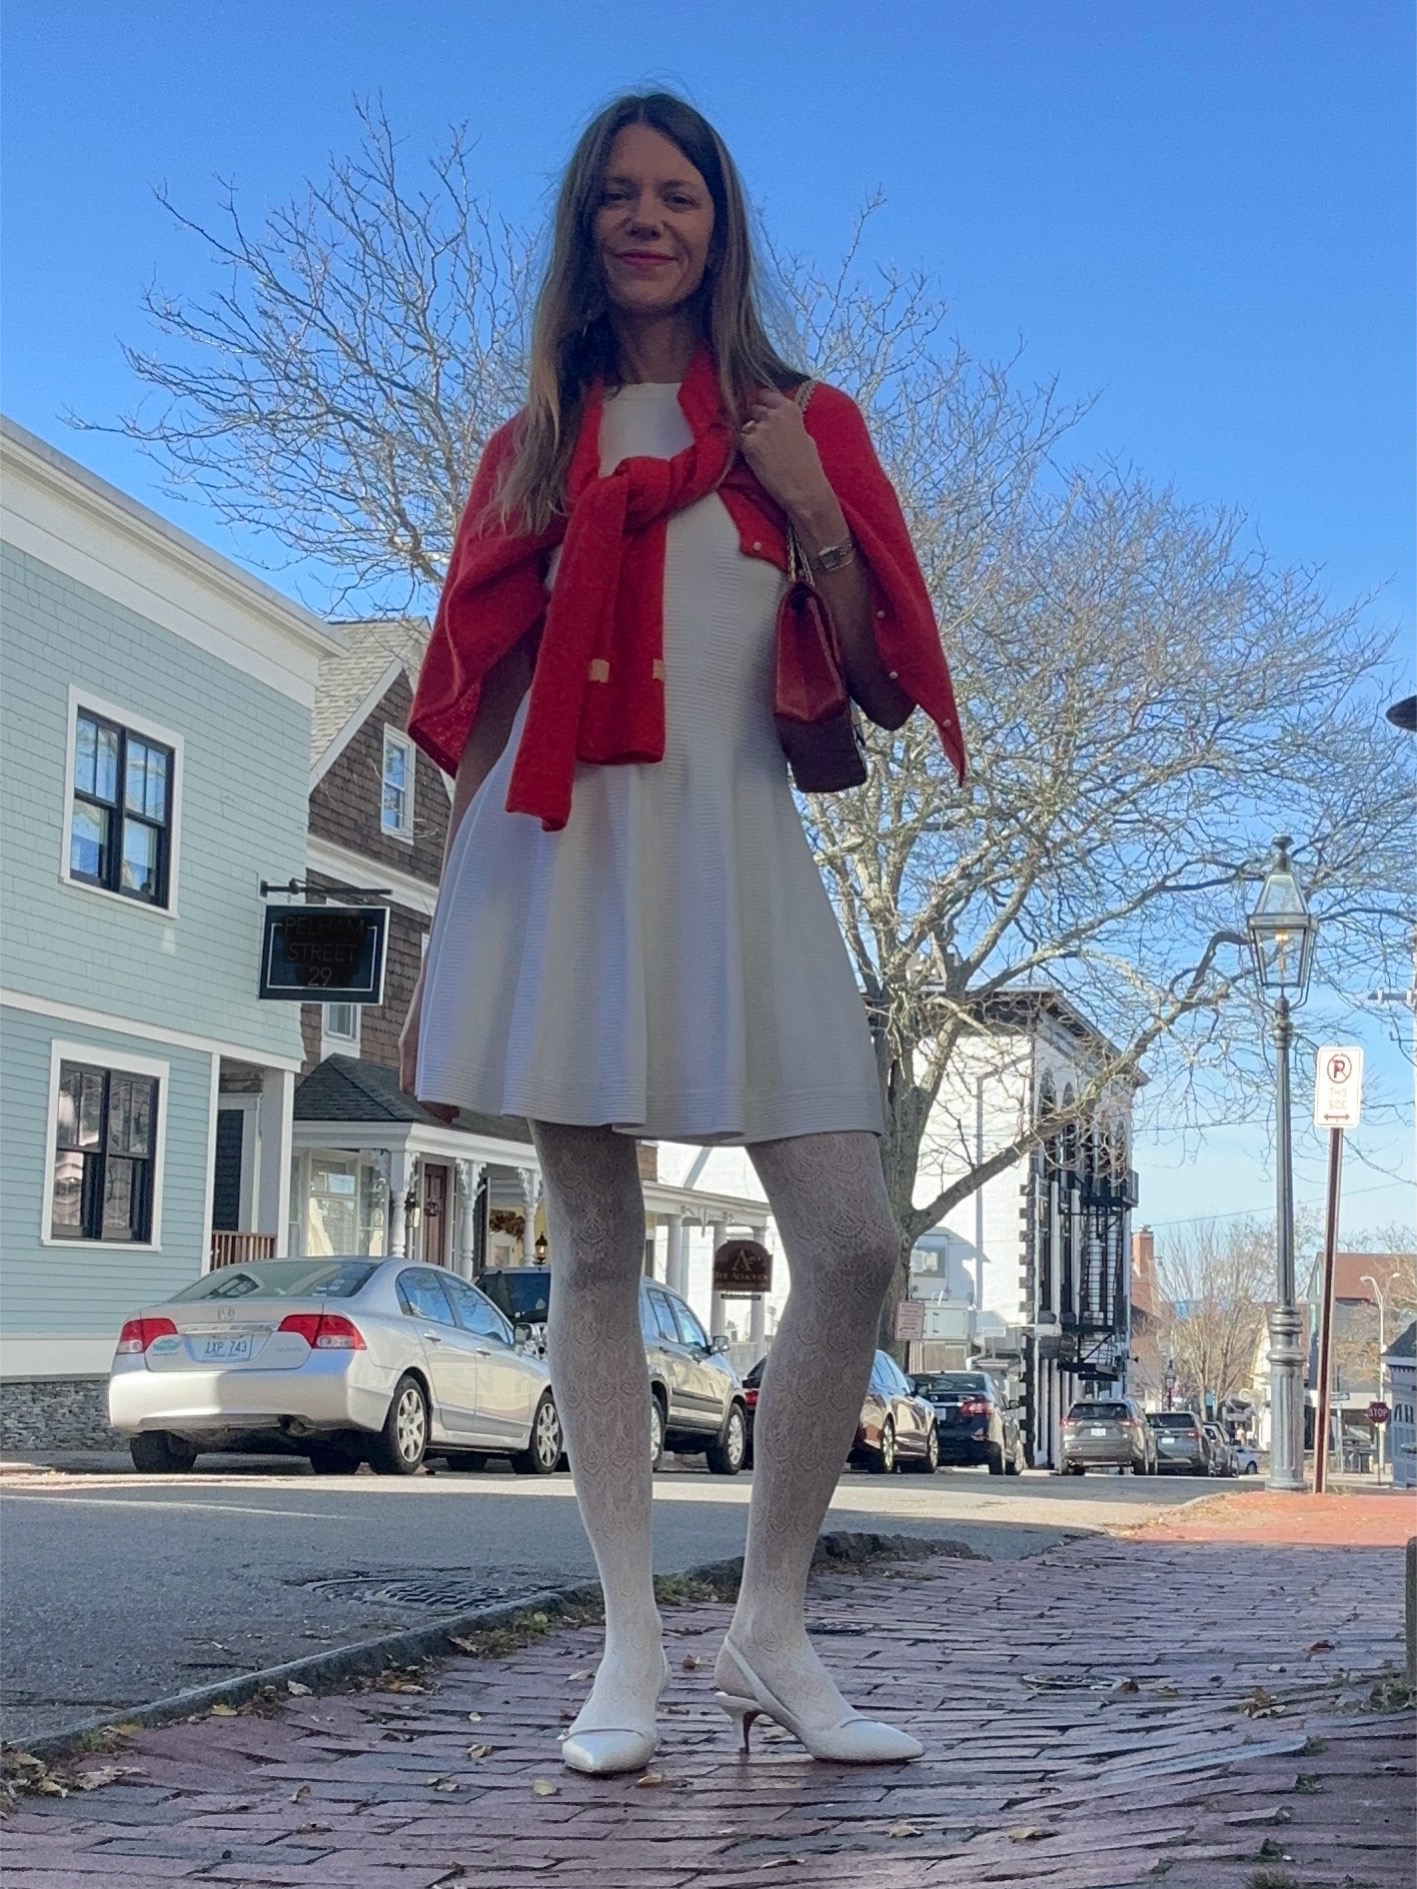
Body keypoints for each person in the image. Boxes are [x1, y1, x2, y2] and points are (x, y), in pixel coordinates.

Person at [401, 91, 964, 1775]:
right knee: (588, 1244)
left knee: (852, 1237)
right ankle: (629, 1637)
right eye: (619, 198)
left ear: (721, 227)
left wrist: (805, 509)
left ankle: (768, 1625)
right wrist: (453, 933)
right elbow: (477, 696)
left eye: (681, 197)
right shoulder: (529, 449)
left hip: (738, 854)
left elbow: (868, 677)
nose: (648, 221)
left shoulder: (803, 420)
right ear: (583, 226)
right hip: (553, 856)